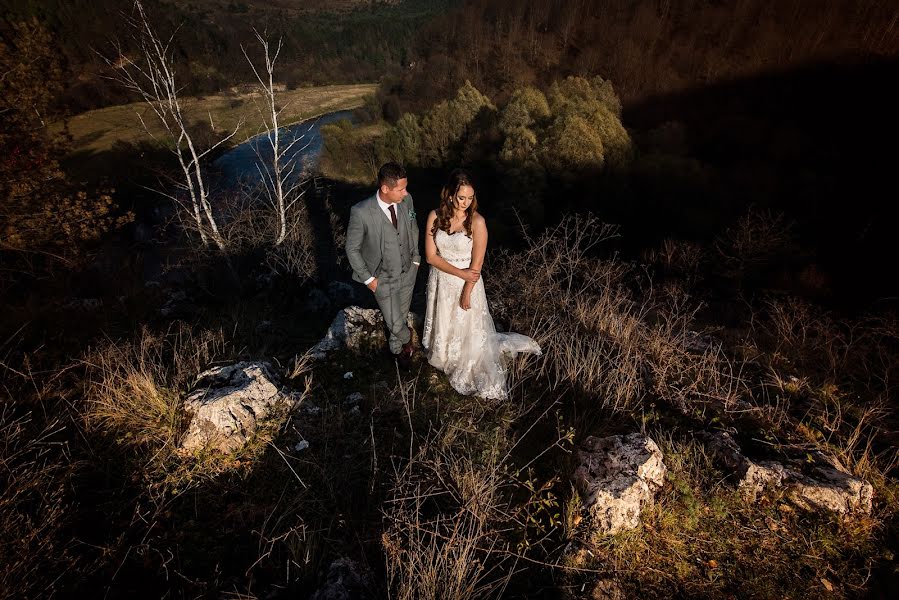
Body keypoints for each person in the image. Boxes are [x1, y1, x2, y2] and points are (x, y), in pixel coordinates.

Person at [422, 169, 541, 399]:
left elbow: (476, 264)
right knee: (443, 316)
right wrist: (460, 273)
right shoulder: (434, 216)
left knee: (465, 323)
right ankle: (443, 353)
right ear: (449, 195)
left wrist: (467, 289)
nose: (466, 203)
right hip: (441, 279)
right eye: (461, 198)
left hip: (468, 282)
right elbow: (430, 257)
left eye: (470, 197)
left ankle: (465, 358)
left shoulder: (477, 222)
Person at [346, 162, 421, 367]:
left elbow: (413, 227)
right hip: (382, 279)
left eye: (406, 187)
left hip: (408, 273)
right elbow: (352, 249)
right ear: (385, 188)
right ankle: (407, 342)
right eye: (401, 189)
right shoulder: (361, 212)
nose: (405, 193)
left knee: (402, 315)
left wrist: (416, 259)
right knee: (396, 323)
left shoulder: (407, 201)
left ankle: (397, 353)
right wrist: (369, 279)